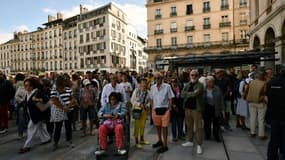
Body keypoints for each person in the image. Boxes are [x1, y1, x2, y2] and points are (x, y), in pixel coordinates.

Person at [19, 77, 51, 153]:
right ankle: (46, 138)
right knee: (40, 128)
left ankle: (27, 146)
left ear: (32, 86)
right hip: (32, 115)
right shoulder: (28, 93)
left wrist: (37, 99)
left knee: (30, 129)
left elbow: (46, 99)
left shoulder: (37, 92)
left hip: (37, 115)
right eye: (25, 85)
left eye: (27, 85)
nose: (25, 87)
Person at [149, 72, 174, 153]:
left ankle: (165, 145)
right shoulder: (152, 87)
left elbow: (170, 98)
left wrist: (169, 108)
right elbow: (151, 98)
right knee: (158, 127)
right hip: (155, 110)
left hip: (165, 110)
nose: (157, 80)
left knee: (164, 127)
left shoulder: (167, 86)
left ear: (162, 78)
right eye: (155, 78)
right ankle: (160, 140)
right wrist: (152, 108)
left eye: (158, 78)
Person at [181, 70, 204, 154]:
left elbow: (196, 94)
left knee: (198, 127)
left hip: (196, 109)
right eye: (192, 75)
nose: (193, 76)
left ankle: (199, 145)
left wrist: (187, 93)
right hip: (187, 109)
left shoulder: (200, 85)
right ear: (190, 76)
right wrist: (190, 93)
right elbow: (182, 95)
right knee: (189, 126)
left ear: (198, 76)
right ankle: (190, 141)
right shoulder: (187, 84)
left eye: (195, 75)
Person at [50, 75, 76, 151]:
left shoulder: (68, 89)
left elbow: (72, 99)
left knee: (68, 127)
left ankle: (69, 140)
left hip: (69, 110)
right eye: (64, 80)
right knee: (58, 127)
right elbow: (54, 101)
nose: (66, 81)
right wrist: (63, 107)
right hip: (60, 111)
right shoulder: (54, 90)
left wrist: (68, 106)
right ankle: (55, 142)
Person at [265, 68, 285, 160]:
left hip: (273, 115)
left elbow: (266, 98)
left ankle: (271, 157)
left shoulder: (271, 83)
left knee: (274, 139)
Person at [245, 71, 267, 140]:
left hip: (251, 102)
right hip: (260, 102)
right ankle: (261, 135)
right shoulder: (264, 83)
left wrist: (245, 97)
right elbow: (265, 92)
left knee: (252, 118)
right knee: (261, 119)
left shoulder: (251, 82)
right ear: (262, 76)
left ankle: (252, 132)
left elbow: (246, 90)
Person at [203, 76, 224, 142]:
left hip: (216, 107)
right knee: (207, 123)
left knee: (216, 123)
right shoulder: (203, 89)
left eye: (211, 82)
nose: (210, 83)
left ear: (213, 82)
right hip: (207, 107)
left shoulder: (217, 89)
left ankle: (216, 136)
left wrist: (222, 108)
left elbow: (221, 99)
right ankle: (207, 135)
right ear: (206, 82)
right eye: (208, 82)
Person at [131, 78, 150, 148]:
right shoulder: (136, 90)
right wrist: (139, 104)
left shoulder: (148, 92)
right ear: (140, 84)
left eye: (145, 83)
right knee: (137, 126)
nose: (144, 85)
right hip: (137, 110)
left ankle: (142, 139)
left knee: (143, 125)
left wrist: (147, 106)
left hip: (144, 110)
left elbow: (149, 102)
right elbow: (132, 100)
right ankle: (136, 141)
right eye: (142, 83)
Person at [14, 73, 27, 139]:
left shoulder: (17, 84)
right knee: (23, 118)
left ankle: (20, 134)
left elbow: (16, 95)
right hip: (24, 103)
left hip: (20, 103)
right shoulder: (22, 84)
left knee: (21, 119)